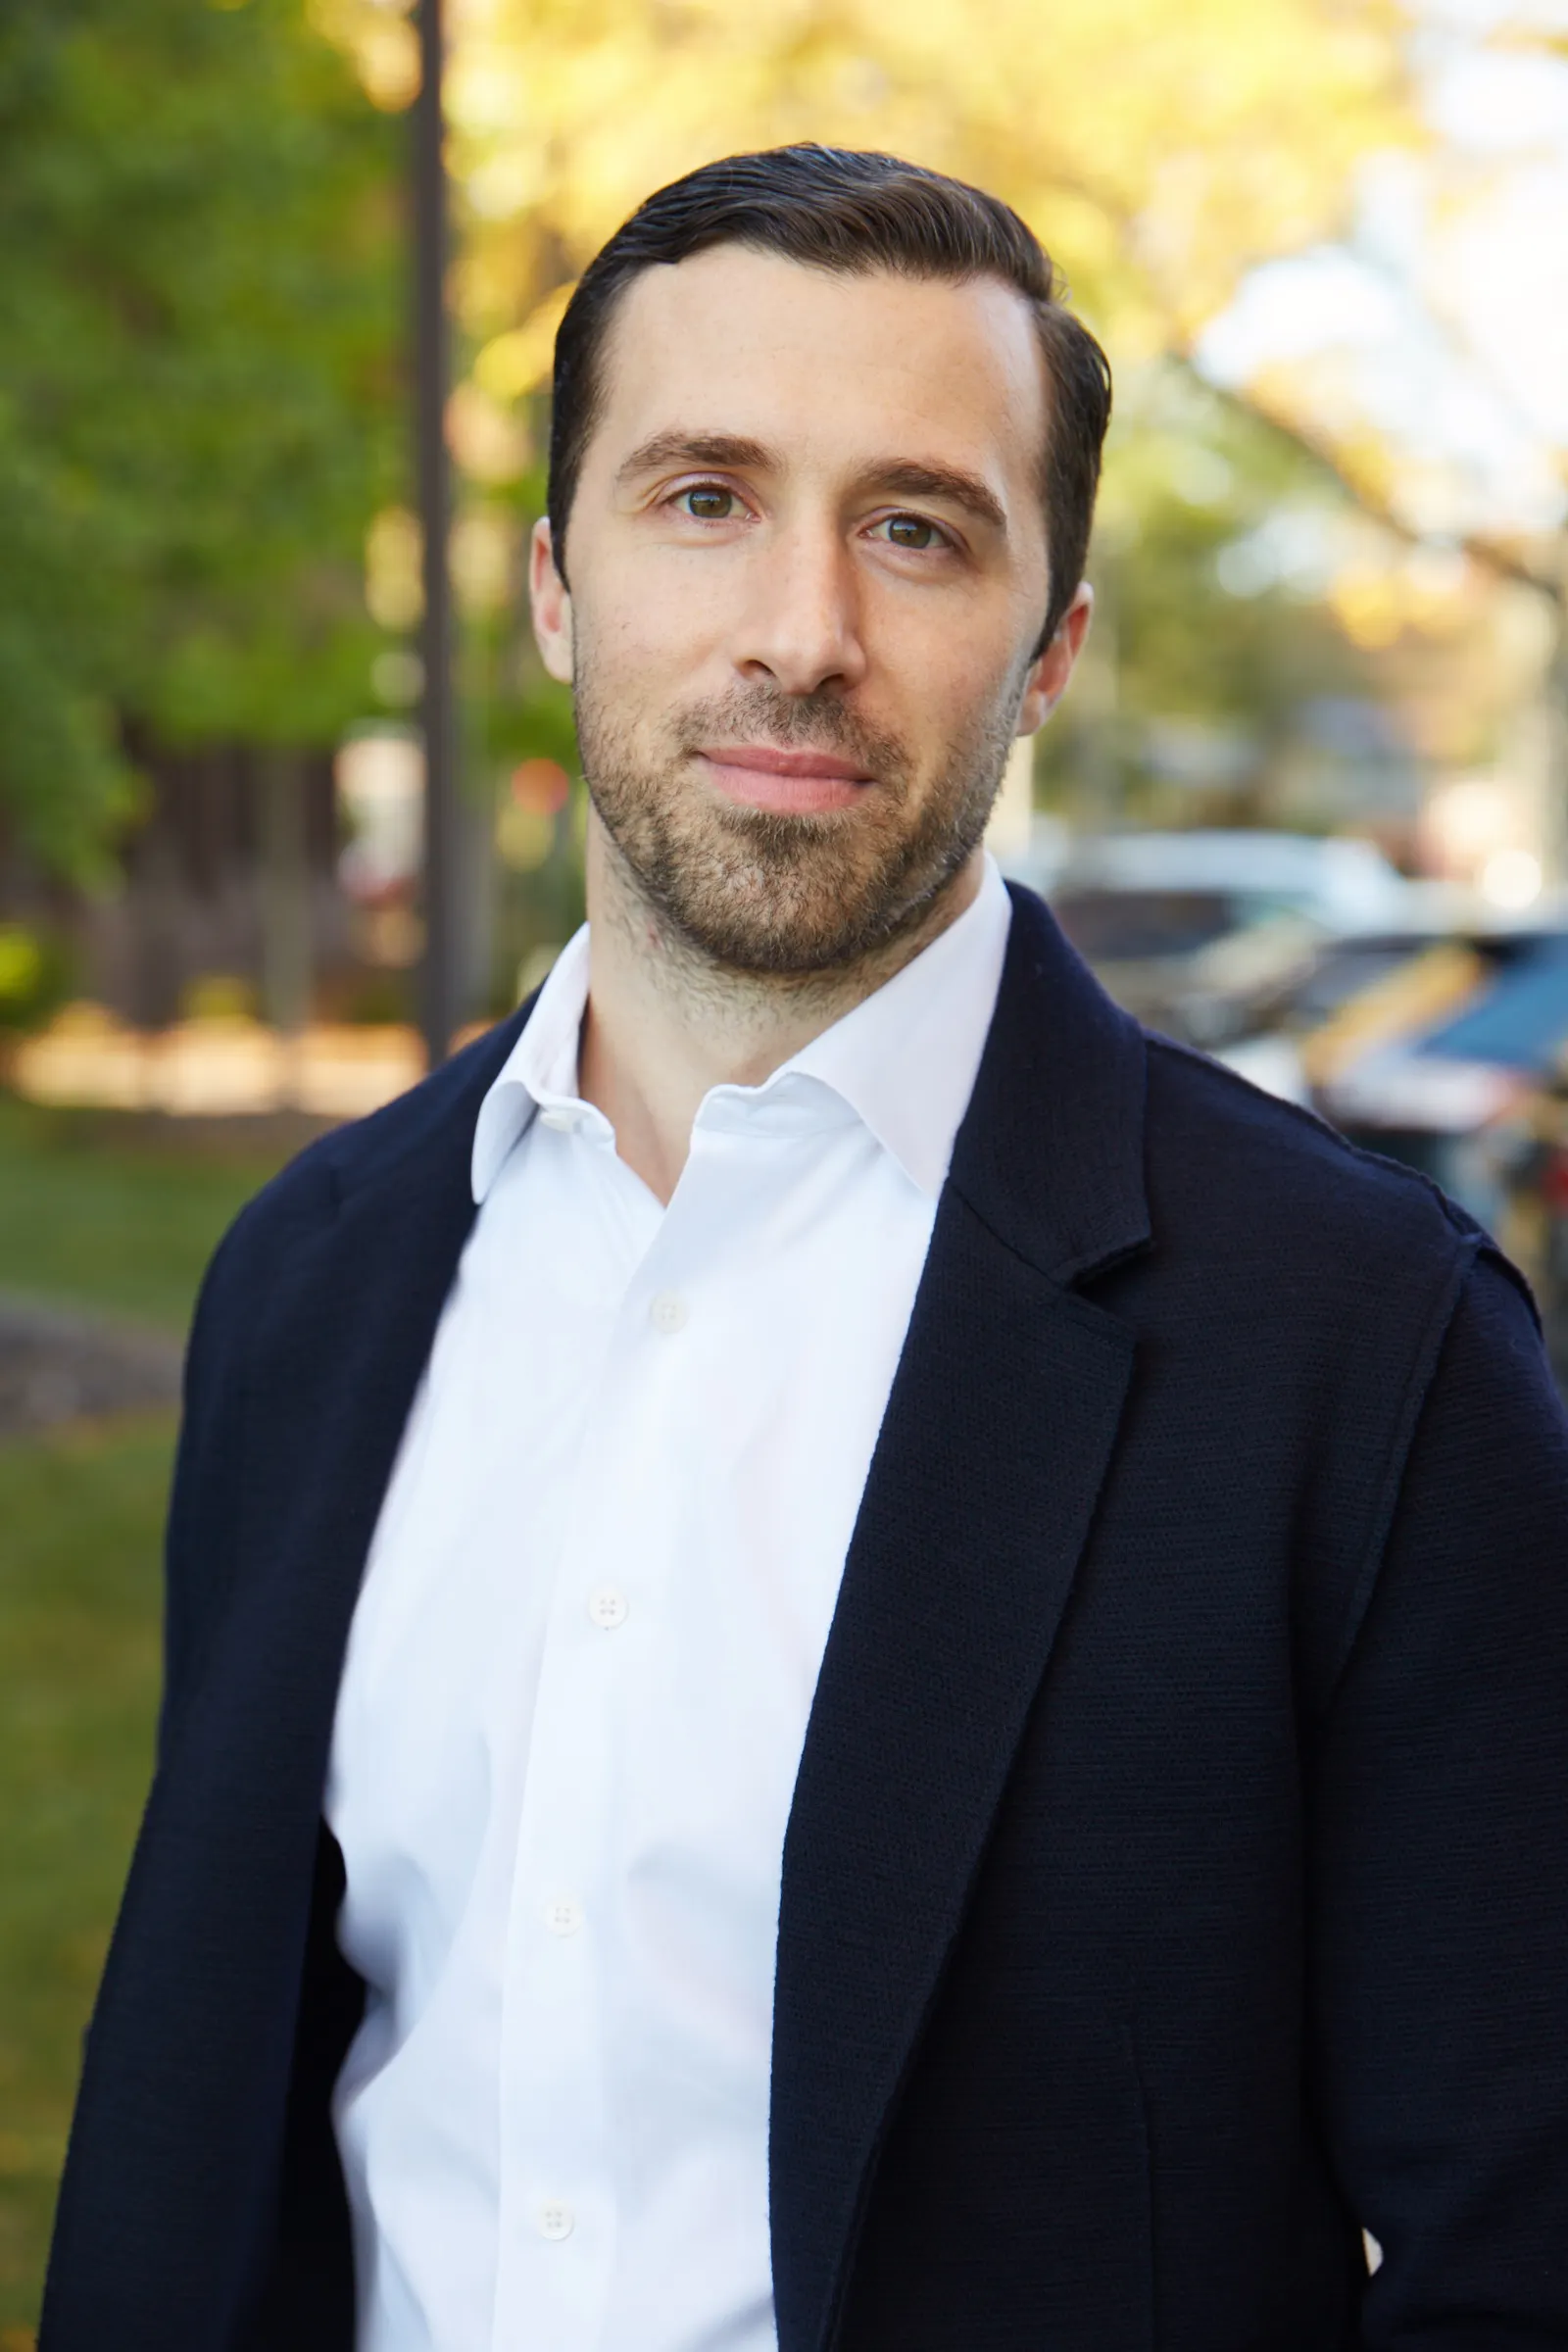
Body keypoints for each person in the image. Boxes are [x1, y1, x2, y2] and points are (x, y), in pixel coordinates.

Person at [41, 145, 1568, 2352]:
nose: (800, 632)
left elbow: (1512, 2253)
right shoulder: (313, 1277)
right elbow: (205, 2115)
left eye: (914, 529)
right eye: (702, 497)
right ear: (556, 585)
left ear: (1045, 649)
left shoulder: (1362, 1353)